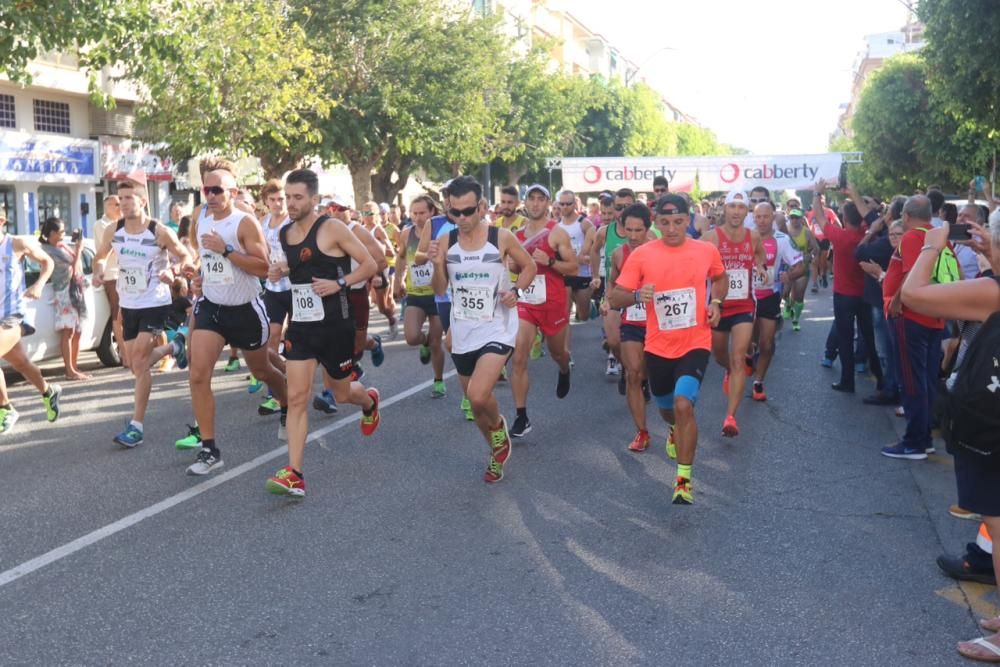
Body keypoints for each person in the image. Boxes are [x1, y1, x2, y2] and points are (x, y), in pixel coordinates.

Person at [899, 218, 1000, 663]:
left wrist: (931, 248)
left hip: (991, 426)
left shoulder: (992, 292)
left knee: (999, 525)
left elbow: (913, 295)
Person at [265, 169, 381, 497]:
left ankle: (369, 401)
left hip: (335, 325)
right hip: (301, 326)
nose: (290, 203)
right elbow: (298, 268)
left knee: (342, 394)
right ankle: (295, 474)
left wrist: (339, 283)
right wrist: (281, 270)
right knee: (297, 397)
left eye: (298, 197)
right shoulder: (286, 233)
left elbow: (370, 264)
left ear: (314, 199)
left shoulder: (332, 228)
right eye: (287, 197)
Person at [609, 193, 727, 504]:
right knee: (666, 408)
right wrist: (637, 295)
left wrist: (715, 302)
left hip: (695, 342)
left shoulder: (706, 250)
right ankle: (673, 428)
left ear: (688, 220)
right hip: (659, 346)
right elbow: (615, 298)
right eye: (665, 222)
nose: (672, 228)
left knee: (684, 403)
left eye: (678, 222)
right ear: (657, 224)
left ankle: (683, 479)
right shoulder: (643, 255)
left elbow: (720, 277)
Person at [428, 175, 535, 482]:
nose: (461, 218)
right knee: (477, 408)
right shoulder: (446, 242)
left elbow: (528, 266)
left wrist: (517, 290)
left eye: (468, 211)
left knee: (477, 395)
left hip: (498, 326)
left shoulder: (500, 238)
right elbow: (439, 288)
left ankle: (500, 426)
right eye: (455, 212)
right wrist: (437, 265)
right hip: (463, 329)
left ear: (482, 207)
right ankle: (495, 450)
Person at [184, 169, 289, 475]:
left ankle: (286, 404)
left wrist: (227, 250)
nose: (212, 196)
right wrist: (201, 279)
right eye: (207, 190)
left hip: (245, 310)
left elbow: (262, 266)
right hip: (212, 308)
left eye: (218, 190)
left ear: (233, 191)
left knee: (262, 369)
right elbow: (206, 260)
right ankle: (209, 449)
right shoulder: (200, 217)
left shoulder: (244, 222)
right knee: (198, 375)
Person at [93, 179, 194, 447]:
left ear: (142, 201)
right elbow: (100, 256)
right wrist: (99, 270)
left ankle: (136, 426)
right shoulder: (114, 230)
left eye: (129, 198)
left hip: (154, 302)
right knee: (137, 363)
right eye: (120, 199)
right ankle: (176, 345)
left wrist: (172, 272)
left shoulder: (158, 231)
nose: (123, 204)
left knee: (138, 360)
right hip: (129, 304)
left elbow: (185, 257)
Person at [879, 195, 949, 460]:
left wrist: (897, 303)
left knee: (911, 381)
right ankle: (924, 437)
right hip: (934, 316)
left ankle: (914, 443)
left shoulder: (911, 237)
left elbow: (911, 276)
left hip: (911, 317)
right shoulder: (940, 237)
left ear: (906, 216)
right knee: (926, 380)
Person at [509, 184, 577, 437]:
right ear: (525, 203)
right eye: (531, 199)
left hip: (553, 303)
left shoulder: (557, 233)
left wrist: (548, 261)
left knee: (557, 352)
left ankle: (564, 368)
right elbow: (516, 268)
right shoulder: (517, 235)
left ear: (549, 204)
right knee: (519, 356)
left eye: (541, 199)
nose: (536, 204)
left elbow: (572, 268)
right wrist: (515, 265)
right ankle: (521, 416)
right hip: (526, 302)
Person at [701, 191, 766, 437]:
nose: (737, 211)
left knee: (739, 358)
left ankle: (730, 417)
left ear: (747, 210)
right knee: (719, 355)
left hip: (744, 305)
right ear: (725, 209)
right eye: (733, 206)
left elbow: (759, 254)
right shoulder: (711, 237)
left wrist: (760, 267)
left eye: (741, 207)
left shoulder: (754, 236)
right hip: (718, 305)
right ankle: (729, 369)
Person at [812, 180, 885, 396]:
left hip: (844, 295)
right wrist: (859, 197)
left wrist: (817, 193)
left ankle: (847, 381)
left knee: (845, 337)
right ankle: (881, 379)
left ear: (844, 219)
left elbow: (819, 217)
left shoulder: (840, 236)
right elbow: (876, 216)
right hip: (865, 293)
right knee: (868, 337)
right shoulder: (867, 233)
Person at [0, 222, 63, 432]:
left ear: (1, 222)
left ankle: (5, 408)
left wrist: (38, 284)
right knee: (22, 364)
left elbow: (48, 262)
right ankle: (48, 391)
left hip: (12, 316)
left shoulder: (16, 244)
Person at [608, 204, 655, 451]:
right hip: (632, 320)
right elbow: (614, 288)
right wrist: (609, 301)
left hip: (660, 323)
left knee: (653, 375)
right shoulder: (618, 254)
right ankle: (642, 432)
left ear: (648, 228)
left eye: (639, 230)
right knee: (633, 374)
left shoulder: (660, 250)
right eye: (629, 230)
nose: (634, 236)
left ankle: (671, 425)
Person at [750, 202, 804, 401]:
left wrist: (788, 276)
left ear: (773, 217)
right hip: (747, 297)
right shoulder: (745, 237)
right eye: (758, 217)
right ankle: (750, 353)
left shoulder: (781, 240)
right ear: (753, 218)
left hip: (769, 297)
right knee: (749, 341)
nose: (762, 220)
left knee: (767, 344)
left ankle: (758, 382)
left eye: (766, 216)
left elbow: (799, 266)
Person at [393, 195, 446, 397]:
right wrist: (397, 281)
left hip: (437, 295)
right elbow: (400, 258)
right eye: (414, 213)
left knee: (436, 342)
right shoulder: (406, 234)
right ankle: (423, 342)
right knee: (412, 337)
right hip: (415, 293)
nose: (418, 217)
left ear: (432, 212)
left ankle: (439, 381)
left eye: (422, 212)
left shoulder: (441, 232)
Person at [39, 218, 90, 381]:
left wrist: (76, 248)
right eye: (61, 232)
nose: (64, 234)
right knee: (68, 331)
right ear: (52, 233)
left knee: (77, 330)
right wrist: (79, 249)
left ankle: (74, 367)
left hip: (75, 290)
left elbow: (75, 265)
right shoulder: (48, 250)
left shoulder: (61, 246)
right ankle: (69, 369)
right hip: (63, 292)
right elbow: (73, 264)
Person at [257, 178, 292, 415]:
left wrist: (285, 267)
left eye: (281, 199)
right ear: (266, 202)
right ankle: (274, 391)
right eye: (273, 199)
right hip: (273, 287)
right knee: (272, 337)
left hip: (297, 287)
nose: (278, 203)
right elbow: (261, 251)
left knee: (299, 339)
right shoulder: (262, 223)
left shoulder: (292, 221)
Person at [555, 189, 597, 355]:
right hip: (565, 274)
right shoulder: (557, 225)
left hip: (582, 273)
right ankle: (567, 352)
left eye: (568, 204)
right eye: (562, 204)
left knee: (583, 314)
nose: (565, 207)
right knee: (565, 314)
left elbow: (594, 234)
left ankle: (590, 306)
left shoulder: (583, 222)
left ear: (574, 204)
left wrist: (585, 252)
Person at [93, 195, 128, 367]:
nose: (119, 207)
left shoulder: (122, 223)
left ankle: (128, 349)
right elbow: (110, 249)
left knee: (127, 313)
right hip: (112, 275)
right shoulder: (102, 225)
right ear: (106, 206)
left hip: (125, 273)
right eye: (115, 205)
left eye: (120, 204)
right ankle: (123, 351)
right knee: (117, 313)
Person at [781, 207, 817, 331]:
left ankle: (796, 319)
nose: (794, 220)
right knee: (784, 293)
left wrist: (810, 255)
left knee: (799, 295)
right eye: (792, 217)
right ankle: (788, 304)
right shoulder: (785, 231)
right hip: (787, 267)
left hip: (802, 267)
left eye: (797, 218)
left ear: (801, 219)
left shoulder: (806, 232)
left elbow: (815, 248)